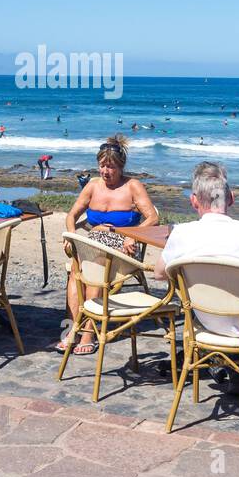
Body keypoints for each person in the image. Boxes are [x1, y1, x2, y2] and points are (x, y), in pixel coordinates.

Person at [156, 161, 239, 385]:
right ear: (231, 198)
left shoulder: (181, 233)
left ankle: (216, 358)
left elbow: (160, 273)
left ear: (193, 201)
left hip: (207, 321)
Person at [60, 136, 158, 355]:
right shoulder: (93, 186)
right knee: (76, 269)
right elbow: (72, 214)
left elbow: (152, 217)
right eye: (102, 165)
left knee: (95, 263)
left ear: (120, 166)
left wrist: (134, 235)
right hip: (91, 240)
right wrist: (71, 234)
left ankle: (88, 332)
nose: (105, 171)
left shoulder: (132, 186)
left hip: (121, 245)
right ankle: (71, 328)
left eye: (111, 167)